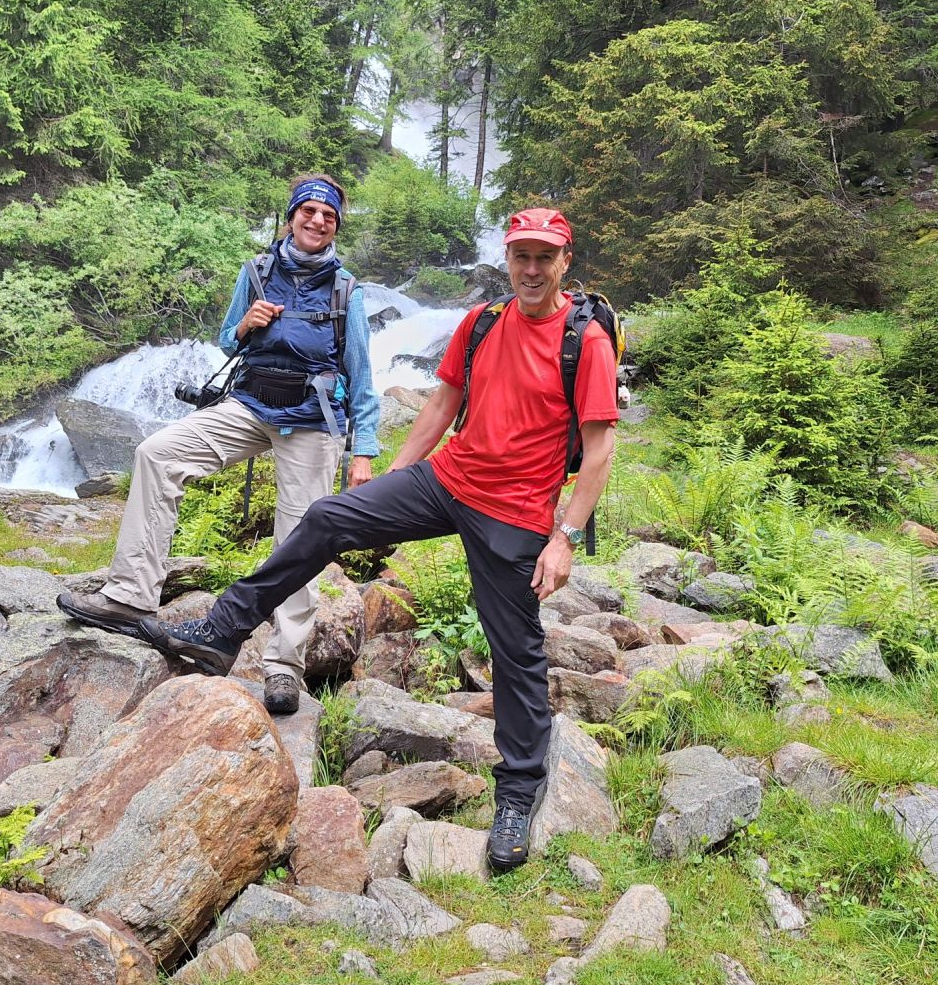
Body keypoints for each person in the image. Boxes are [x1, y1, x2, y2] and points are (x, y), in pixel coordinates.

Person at [105, 207, 618, 873]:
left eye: (543, 257)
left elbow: (601, 448)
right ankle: (224, 631)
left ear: (564, 263)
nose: (530, 268)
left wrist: (565, 537)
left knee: (513, 650)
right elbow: (442, 403)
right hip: (448, 478)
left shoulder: (586, 341)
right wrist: (397, 484)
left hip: (516, 512)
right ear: (508, 256)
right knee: (330, 517)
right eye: (521, 255)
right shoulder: (484, 320)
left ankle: (518, 794)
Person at [57, 174, 380, 716]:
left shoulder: (348, 290)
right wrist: (247, 325)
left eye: (329, 217)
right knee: (156, 454)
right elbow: (228, 337)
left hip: (312, 419)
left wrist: (363, 450)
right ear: (292, 216)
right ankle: (129, 597)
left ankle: (284, 667)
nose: (318, 222)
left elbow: (362, 375)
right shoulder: (256, 272)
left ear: (336, 227)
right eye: (310, 212)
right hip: (251, 405)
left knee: (299, 536)